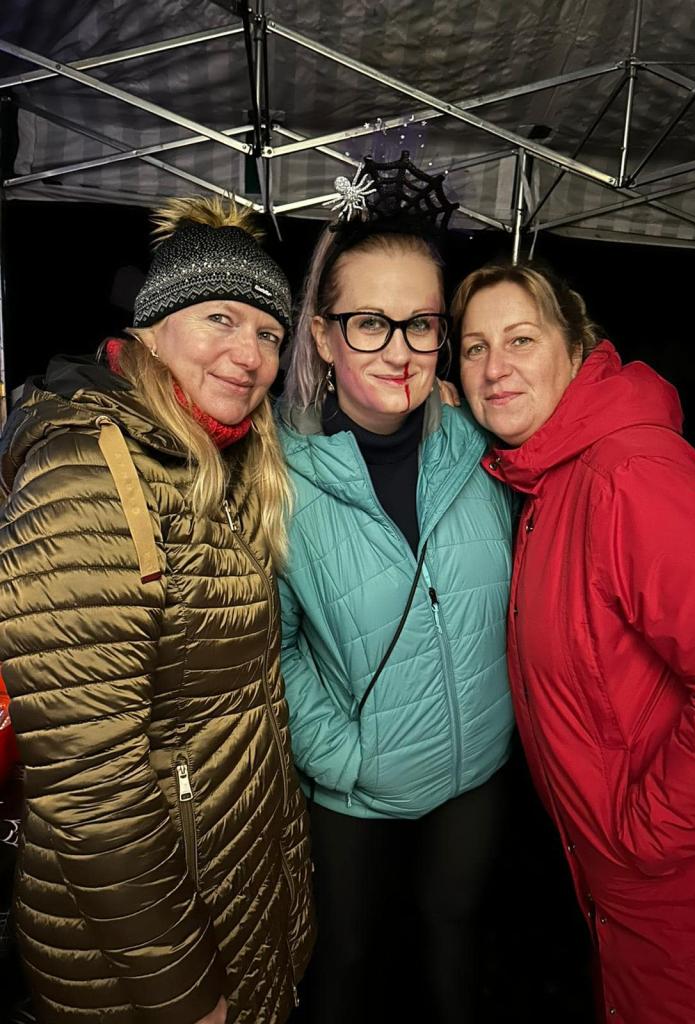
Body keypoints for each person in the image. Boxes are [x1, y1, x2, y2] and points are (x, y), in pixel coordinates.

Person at [0, 197, 314, 1024]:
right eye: (221, 319)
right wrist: (188, 996)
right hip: (141, 960)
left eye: (269, 334)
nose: (248, 355)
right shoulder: (87, 472)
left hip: (227, 893)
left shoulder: (218, 462)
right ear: (153, 326)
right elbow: (88, 785)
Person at [455, 260, 695, 1024]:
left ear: (576, 348)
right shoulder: (549, 479)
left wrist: (647, 837)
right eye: (473, 348)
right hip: (633, 897)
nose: (494, 368)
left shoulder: (630, 474)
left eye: (521, 340)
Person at [276, 155, 516, 1024]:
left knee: (454, 947)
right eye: (370, 323)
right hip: (356, 785)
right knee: (345, 962)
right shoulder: (279, 478)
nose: (401, 351)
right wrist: (343, 756)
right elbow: (274, 645)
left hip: (476, 772)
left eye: (421, 324)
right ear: (324, 333)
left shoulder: (486, 447)